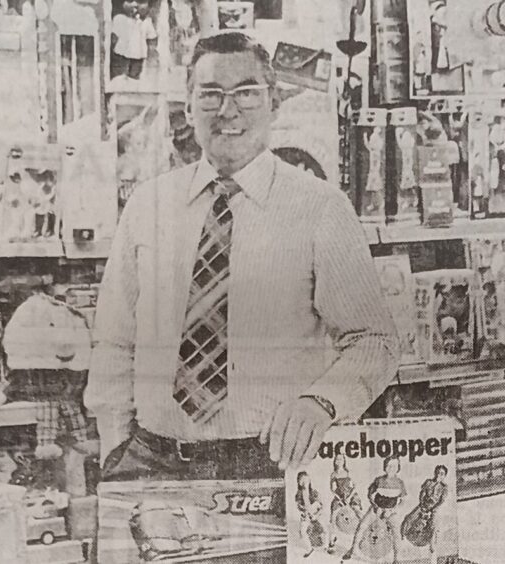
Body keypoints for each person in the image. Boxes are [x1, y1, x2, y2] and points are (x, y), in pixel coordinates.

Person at [86, 31, 399, 482]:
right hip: (152, 462)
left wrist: (321, 402)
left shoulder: (320, 207)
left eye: (247, 93)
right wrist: (116, 445)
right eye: (210, 94)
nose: (228, 110)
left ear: (274, 103)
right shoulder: (148, 205)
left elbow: (374, 341)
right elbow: (115, 339)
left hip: (269, 465)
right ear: (188, 107)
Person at [343, 456, 407, 564]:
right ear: (385, 467)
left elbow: (403, 501)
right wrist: (375, 506)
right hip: (376, 508)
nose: (391, 468)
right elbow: (370, 495)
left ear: (398, 468)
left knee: (397, 533)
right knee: (362, 526)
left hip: (390, 511)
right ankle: (352, 550)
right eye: (388, 465)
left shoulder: (400, 483)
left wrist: (391, 511)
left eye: (394, 466)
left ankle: (397, 559)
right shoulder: (379, 480)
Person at [401, 465, 448, 564]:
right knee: (409, 519)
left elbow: (441, 501)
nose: (439, 475)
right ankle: (404, 537)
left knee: (433, 529)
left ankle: (433, 558)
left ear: (444, 476)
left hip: (434, 509)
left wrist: (432, 510)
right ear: (435, 472)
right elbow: (422, 495)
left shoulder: (444, 488)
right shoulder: (428, 482)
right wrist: (422, 507)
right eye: (438, 472)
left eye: (442, 474)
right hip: (423, 506)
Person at [110, 0, 157, 81]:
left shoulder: (146, 22)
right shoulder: (120, 19)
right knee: (119, 77)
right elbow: (113, 37)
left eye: (141, 2)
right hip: (121, 54)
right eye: (130, 1)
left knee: (134, 77)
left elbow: (151, 38)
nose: (135, 5)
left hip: (138, 54)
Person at [328, 452, 363, 552]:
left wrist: (349, 497)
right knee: (333, 517)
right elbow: (333, 490)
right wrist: (340, 499)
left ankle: (364, 535)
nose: (339, 461)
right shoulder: (333, 474)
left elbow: (355, 487)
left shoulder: (348, 473)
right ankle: (331, 541)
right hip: (339, 497)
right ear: (334, 461)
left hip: (351, 496)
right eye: (337, 459)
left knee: (358, 512)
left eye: (341, 459)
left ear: (344, 461)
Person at [295, 471, 325, 558]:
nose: (304, 482)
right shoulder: (298, 495)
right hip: (306, 516)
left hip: (317, 514)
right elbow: (299, 507)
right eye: (301, 480)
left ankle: (326, 546)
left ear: (309, 480)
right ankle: (309, 549)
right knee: (302, 532)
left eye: (306, 480)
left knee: (325, 528)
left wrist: (316, 515)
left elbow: (321, 506)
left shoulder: (314, 492)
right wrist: (304, 513)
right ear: (299, 482)